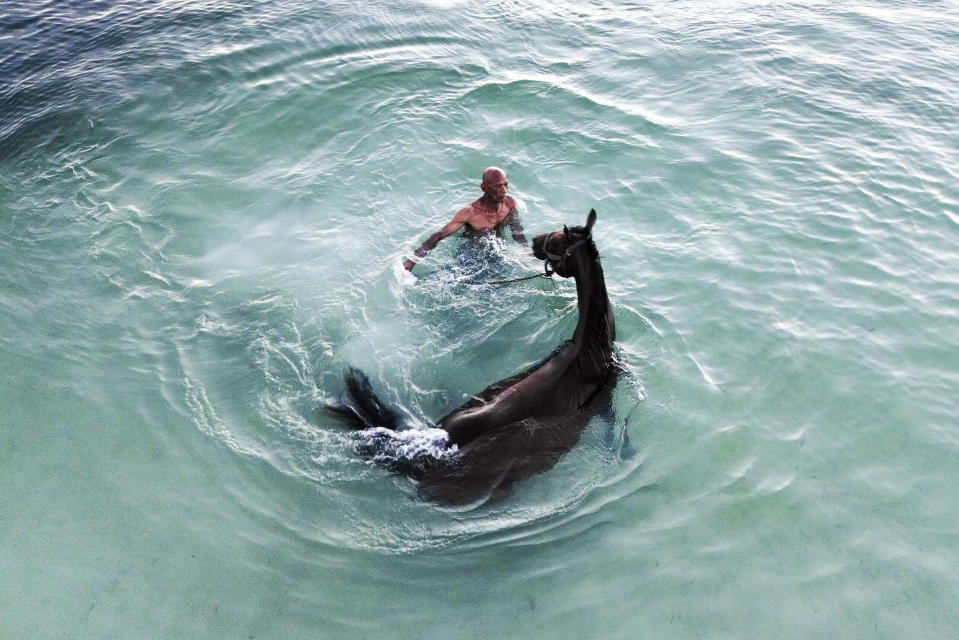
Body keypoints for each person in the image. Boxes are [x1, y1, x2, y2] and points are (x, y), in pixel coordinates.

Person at [402, 167, 528, 271]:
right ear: (484, 188)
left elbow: (517, 230)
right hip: (471, 255)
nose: (504, 191)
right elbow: (439, 236)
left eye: (506, 185)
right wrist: (412, 261)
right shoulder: (469, 213)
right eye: (497, 186)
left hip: (499, 251)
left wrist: (526, 250)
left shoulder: (510, 203)